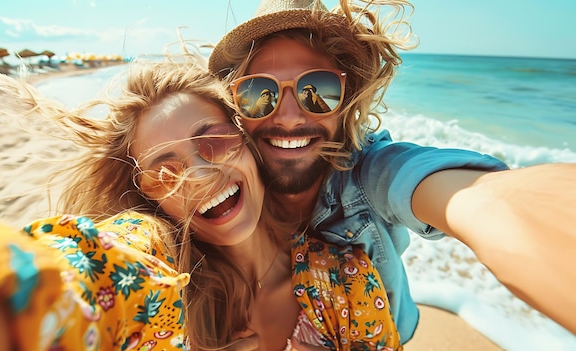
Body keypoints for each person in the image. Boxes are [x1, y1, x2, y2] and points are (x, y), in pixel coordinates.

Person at [0, 58, 405, 350]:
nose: (200, 176)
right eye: (165, 170)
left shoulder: (346, 279)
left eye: (216, 141)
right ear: (148, 194)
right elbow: (86, 274)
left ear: (249, 143)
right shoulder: (160, 275)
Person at [208, 0, 576, 339]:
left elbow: (477, 199)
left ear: (347, 101)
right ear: (235, 106)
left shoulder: (372, 172)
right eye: (259, 94)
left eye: (316, 90)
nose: (288, 118)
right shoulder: (225, 185)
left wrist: (498, 208)